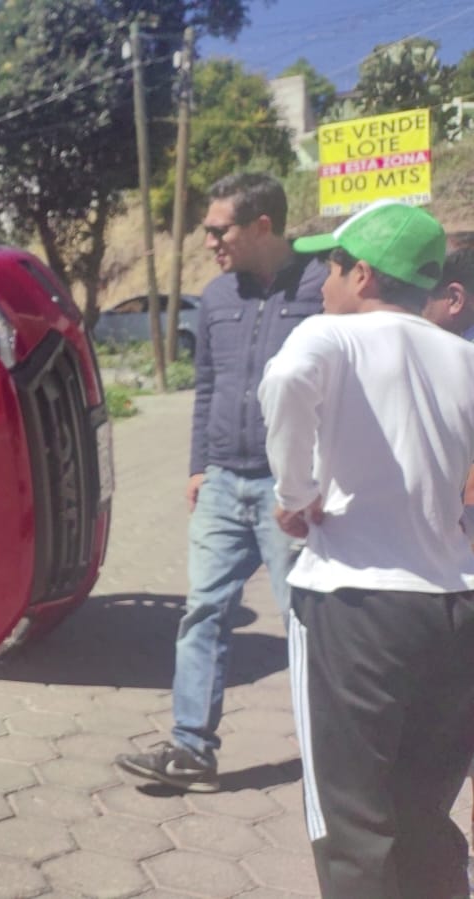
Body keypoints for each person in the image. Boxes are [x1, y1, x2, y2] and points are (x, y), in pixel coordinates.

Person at [259, 200, 474, 898]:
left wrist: (293, 494)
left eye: (329, 265)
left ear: (362, 274)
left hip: (354, 602)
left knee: (350, 820)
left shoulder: (331, 337)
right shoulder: (462, 354)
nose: (320, 281)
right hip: (454, 603)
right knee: (422, 808)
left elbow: (286, 381)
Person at [117, 173, 326, 793]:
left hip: (289, 491)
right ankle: (191, 750)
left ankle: (332, 757)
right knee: (203, 611)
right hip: (223, 482)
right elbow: (206, 386)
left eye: (219, 229)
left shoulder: (321, 290)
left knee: (305, 622)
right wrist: (197, 466)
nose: (209, 241)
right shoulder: (214, 298)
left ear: (262, 225)